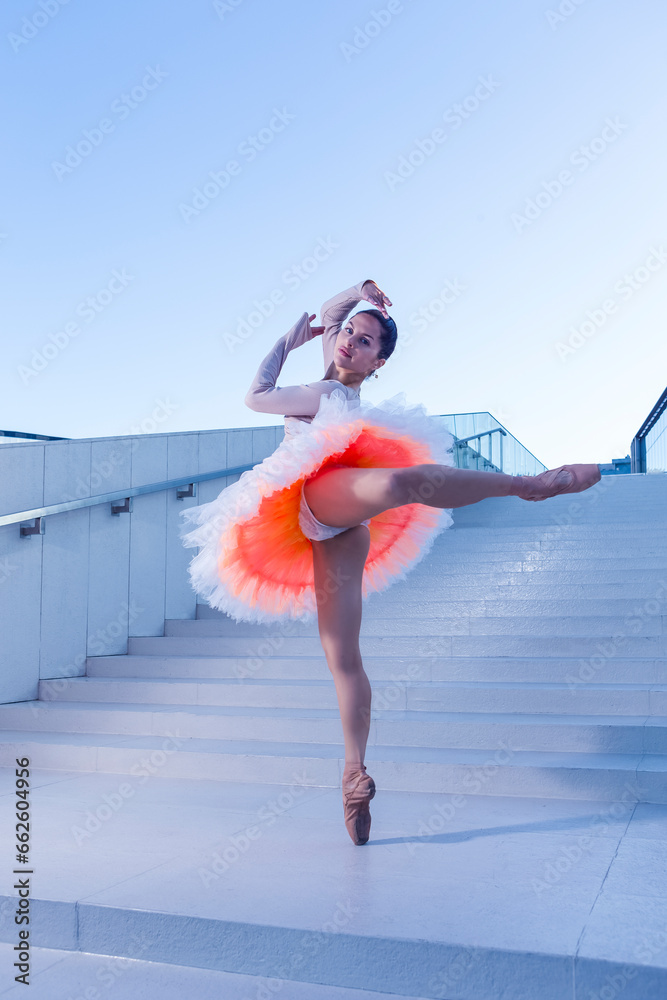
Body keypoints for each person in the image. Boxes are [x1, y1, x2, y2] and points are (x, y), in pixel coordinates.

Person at [180, 279, 601, 846]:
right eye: (348, 334)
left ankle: (354, 771)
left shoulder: (326, 392)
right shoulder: (328, 378)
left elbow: (257, 394)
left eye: (365, 340)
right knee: (347, 640)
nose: (349, 341)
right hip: (311, 501)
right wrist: (356, 294)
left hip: (341, 510)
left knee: (352, 639)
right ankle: (353, 773)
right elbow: (329, 319)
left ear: (381, 362)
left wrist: (289, 340)